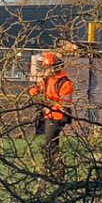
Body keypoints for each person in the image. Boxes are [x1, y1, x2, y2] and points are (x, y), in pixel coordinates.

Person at [28, 50, 75, 179]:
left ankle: (56, 170)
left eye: (48, 67)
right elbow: (36, 90)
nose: (47, 70)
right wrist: (31, 92)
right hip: (50, 115)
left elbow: (64, 102)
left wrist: (50, 105)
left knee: (51, 143)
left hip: (58, 116)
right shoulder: (48, 80)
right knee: (51, 143)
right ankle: (52, 168)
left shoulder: (65, 83)